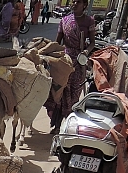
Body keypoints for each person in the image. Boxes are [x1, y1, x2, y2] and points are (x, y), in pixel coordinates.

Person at [44, 0, 96, 133]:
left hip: (79, 62)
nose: (74, 4)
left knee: (73, 94)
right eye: (73, 1)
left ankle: (68, 125)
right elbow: (58, 41)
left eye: (77, 2)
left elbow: (92, 43)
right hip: (65, 61)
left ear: (84, 5)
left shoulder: (89, 21)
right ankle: (56, 125)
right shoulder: (64, 20)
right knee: (59, 92)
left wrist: (86, 51)